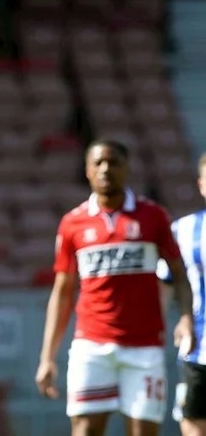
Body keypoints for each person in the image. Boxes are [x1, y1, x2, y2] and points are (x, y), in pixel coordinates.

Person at [35, 139, 195, 436]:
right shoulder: (73, 223)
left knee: (143, 432)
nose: (106, 169)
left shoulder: (153, 216)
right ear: (87, 170)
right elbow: (62, 291)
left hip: (144, 347)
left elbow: (179, 274)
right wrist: (47, 357)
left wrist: (186, 316)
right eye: (98, 163)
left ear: (126, 168)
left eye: (114, 162)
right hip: (91, 346)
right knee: (84, 430)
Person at [158, 152, 206, 435]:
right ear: (201, 185)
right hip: (197, 349)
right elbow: (164, 284)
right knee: (192, 424)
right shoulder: (183, 230)